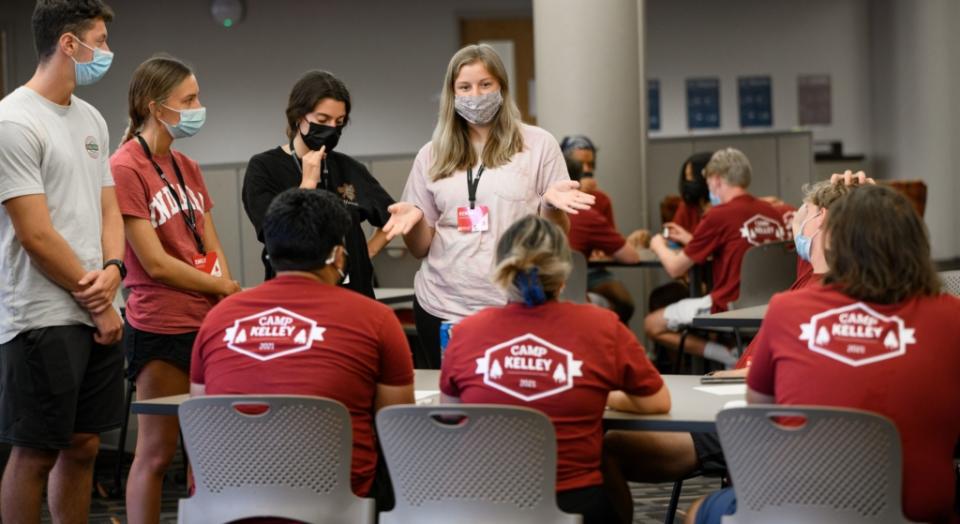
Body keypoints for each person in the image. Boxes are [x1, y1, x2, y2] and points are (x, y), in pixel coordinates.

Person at [688, 184, 960, 524]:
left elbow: (762, 413)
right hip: (915, 513)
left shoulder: (787, 310)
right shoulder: (953, 317)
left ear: (835, 243)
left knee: (700, 510)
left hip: (794, 508)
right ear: (918, 246)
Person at [603, 178, 868, 516]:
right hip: (755, 413)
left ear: (824, 221)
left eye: (806, 212)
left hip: (748, 423)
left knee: (609, 447)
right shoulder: (818, 272)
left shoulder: (813, 302)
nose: (795, 220)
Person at [191, 188, 415, 510]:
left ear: (271, 250)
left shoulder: (217, 319)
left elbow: (203, 420)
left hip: (228, 500)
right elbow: (398, 430)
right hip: (336, 506)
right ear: (338, 255)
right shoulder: (376, 319)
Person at [440, 215, 670, 524]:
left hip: (485, 507)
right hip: (574, 507)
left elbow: (450, 417)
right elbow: (657, 402)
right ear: (564, 274)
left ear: (500, 271)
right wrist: (605, 396)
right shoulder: (601, 326)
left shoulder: (466, 333)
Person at [382, 44, 595, 369]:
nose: (475, 95)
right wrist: (414, 222)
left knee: (510, 399)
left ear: (502, 89)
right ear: (451, 95)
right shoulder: (432, 154)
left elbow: (555, 237)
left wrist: (551, 207)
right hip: (443, 306)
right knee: (452, 404)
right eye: (464, 87)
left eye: (485, 85)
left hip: (513, 302)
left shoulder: (538, 145)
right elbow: (421, 248)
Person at [0, 1, 123, 522]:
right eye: (100, 39)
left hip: (97, 304)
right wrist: (96, 300)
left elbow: (108, 206)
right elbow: (36, 233)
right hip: (42, 315)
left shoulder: (91, 116)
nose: (108, 52)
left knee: (84, 445)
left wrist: (115, 268)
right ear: (69, 44)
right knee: (35, 452)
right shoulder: (12, 120)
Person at [110, 55, 241, 523]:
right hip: (161, 326)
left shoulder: (185, 163)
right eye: (188, 100)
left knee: (208, 450)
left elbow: (209, 238)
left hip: (206, 322)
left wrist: (223, 293)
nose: (197, 107)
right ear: (155, 106)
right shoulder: (125, 167)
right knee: (157, 451)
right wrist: (221, 285)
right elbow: (155, 263)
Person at [243, 70, 394, 298]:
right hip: (296, 299)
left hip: (353, 296)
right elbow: (274, 233)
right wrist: (307, 183)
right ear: (298, 117)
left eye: (339, 122)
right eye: (322, 120)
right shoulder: (264, 168)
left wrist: (364, 253)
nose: (331, 129)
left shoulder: (349, 168)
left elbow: (391, 217)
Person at [644, 148, 786, 367]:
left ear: (717, 180)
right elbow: (738, 245)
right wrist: (691, 238)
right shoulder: (774, 213)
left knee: (652, 324)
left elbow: (675, 268)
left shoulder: (718, 215)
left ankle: (728, 356)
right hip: (772, 309)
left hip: (728, 308)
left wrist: (657, 245)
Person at [563, 155, 648, 321]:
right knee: (623, 303)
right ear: (577, 180)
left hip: (535, 299)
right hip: (574, 296)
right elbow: (631, 257)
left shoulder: (529, 211)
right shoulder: (585, 214)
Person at [560, 135, 615, 226]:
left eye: (590, 164)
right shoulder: (553, 196)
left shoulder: (602, 200)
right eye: (579, 163)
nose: (586, 169)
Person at [664, 152, 713, 239]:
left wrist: (689, 239)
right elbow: (673, 231)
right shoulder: (688, 204)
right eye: (686, 177)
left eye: (692, 177)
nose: (688, 182)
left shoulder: (723, 205)